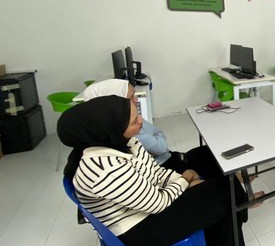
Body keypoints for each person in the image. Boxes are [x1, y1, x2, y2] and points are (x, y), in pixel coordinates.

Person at [57, 95, 261, 246]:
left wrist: (183, 181)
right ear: (110, 128)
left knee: (217, 186)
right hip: (136, 233)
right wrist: (184, 180)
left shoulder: (124, 142)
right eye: (134, 120)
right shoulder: (102, 169)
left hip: (143, 208)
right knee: (223, 190)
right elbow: (158, 204)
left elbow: (154, 172)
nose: (141, 121)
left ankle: (228, 243)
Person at [81, 79, 260, 205]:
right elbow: (160, 144)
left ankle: (236, 180)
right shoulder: (125, 133)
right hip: (165, 166)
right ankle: (242, 199)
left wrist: (155, 134)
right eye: (130, 98)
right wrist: (185, 178)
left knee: (208, 152)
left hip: (166, 162)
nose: (136, 100)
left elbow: (158, 134)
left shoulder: (130, 123)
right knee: (213, 172)